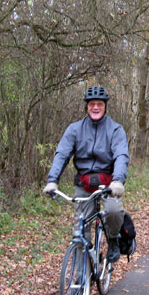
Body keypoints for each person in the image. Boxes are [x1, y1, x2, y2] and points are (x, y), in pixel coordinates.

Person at [43, 86, 129, 263]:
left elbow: (121, 155)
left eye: (99, 104)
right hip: (84, 184)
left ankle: (113, 239)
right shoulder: (75, 129)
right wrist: (52, 181)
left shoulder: (115, 129)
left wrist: (118, 181)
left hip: (107, 184)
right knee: (80, 232)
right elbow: (62, 154)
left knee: (113, 211)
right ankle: (81, 279)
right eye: (92, 104)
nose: (95, 107)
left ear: (105, 106)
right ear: (86, 106)